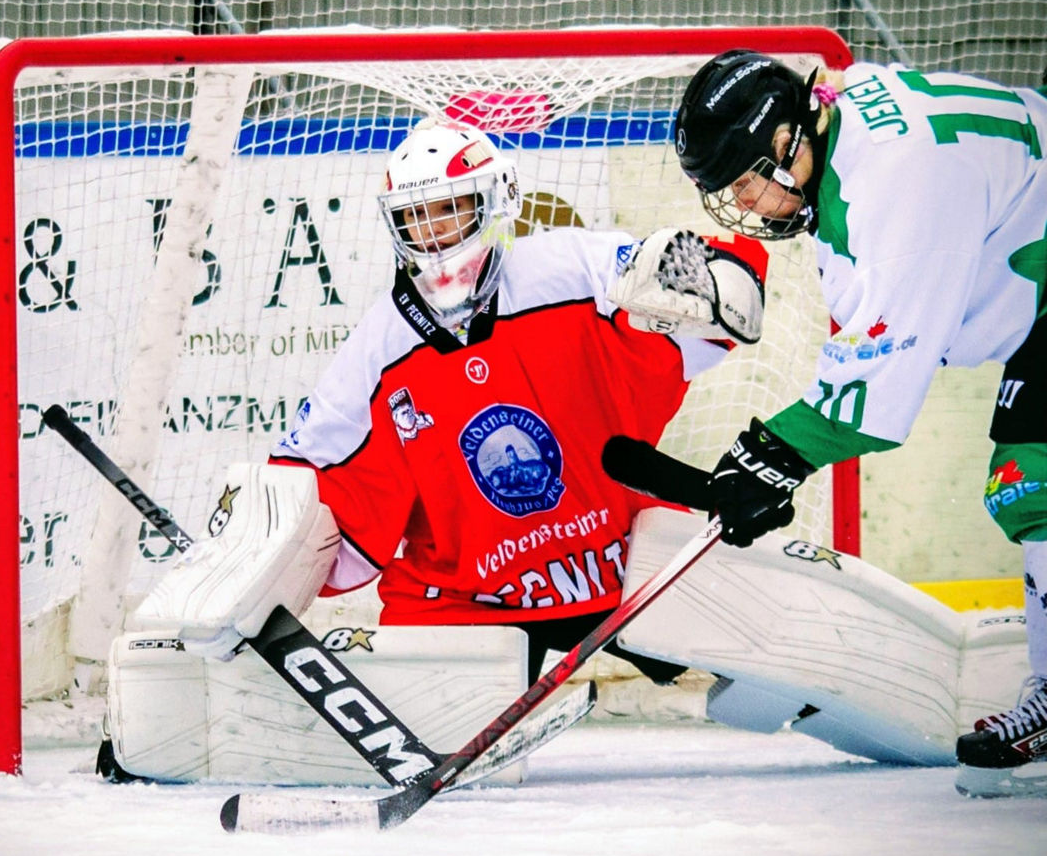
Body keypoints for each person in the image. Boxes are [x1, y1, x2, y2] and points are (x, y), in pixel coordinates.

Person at [261, 117, 769, 685]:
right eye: (413, 216)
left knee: (760, 657)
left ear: (496, 202)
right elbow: (312, 482)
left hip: (622, 565)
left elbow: (711, 283)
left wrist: (708, 285)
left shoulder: (573, 268)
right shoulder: (376, 349)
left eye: (449, 208)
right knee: (416, 705)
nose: (432, 233)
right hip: (468, 597)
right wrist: (255, 560)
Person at [673, 49, 1047, 797]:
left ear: (785, 142)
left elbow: (881, 389)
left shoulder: (902, 190)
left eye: (746, 181)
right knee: (1027, 488)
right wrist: (775, 453)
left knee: (1029, 481)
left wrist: (773, 452)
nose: (744, 205)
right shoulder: (841, 125)